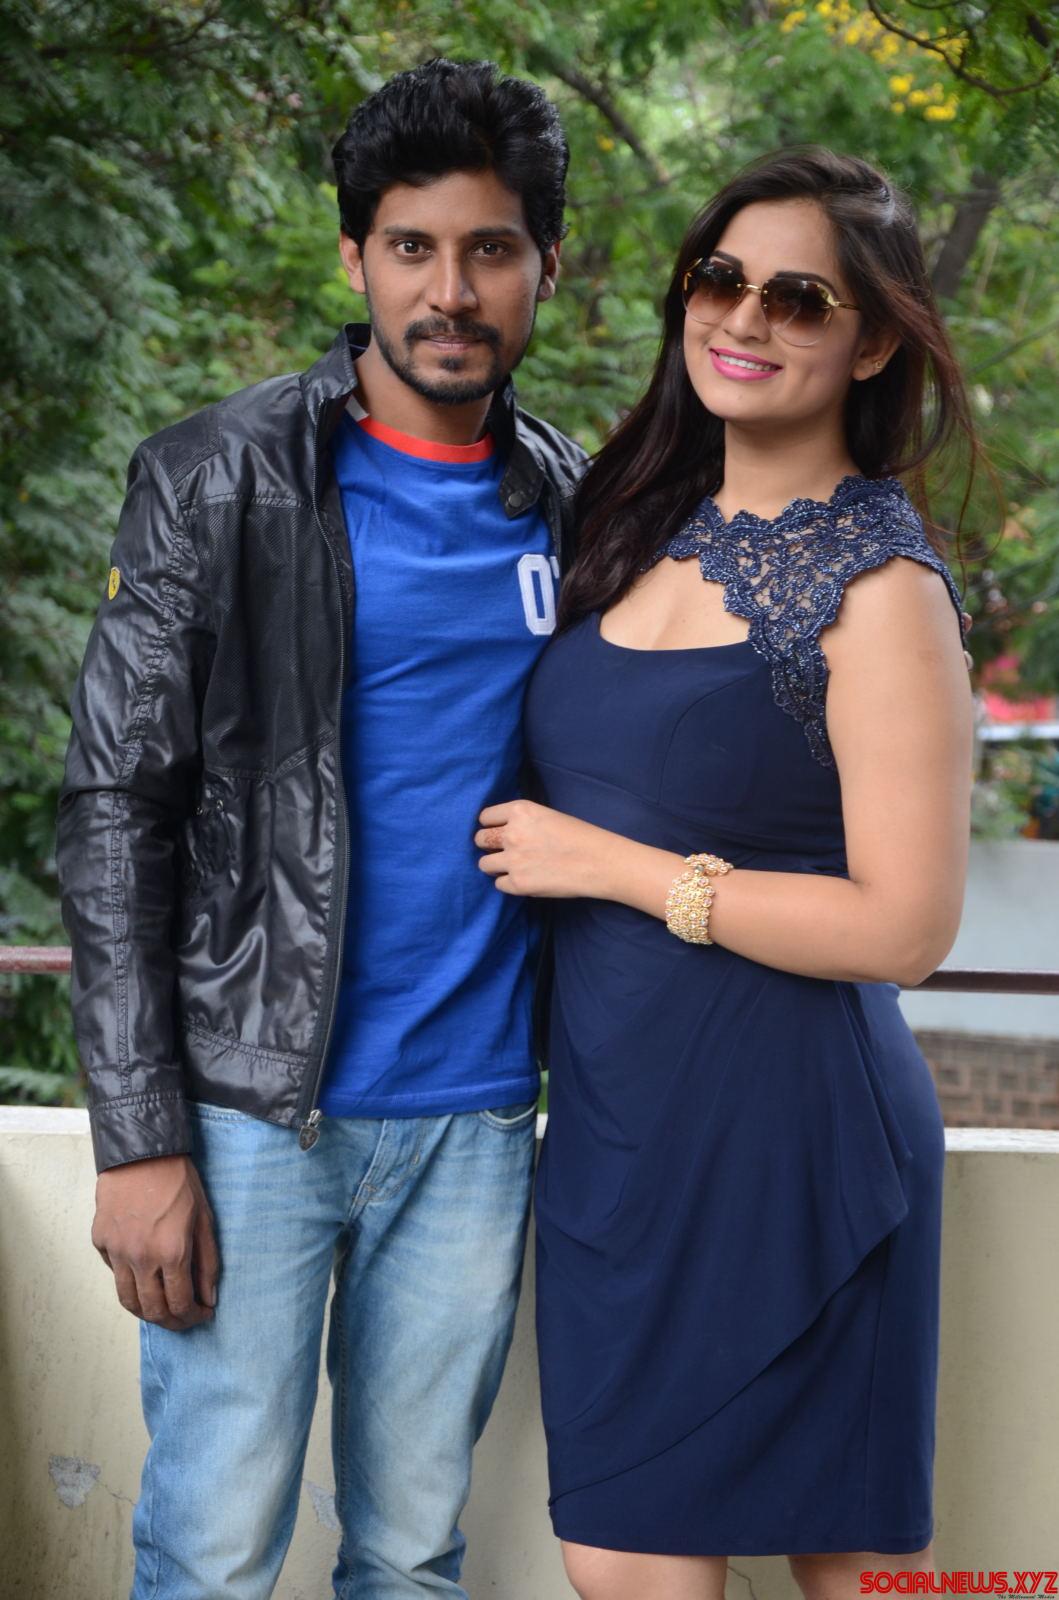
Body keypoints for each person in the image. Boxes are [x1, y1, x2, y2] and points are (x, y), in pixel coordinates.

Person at [54, 58, 584, 1600]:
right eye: (412, 247)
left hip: (477, 1116)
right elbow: (114, 810)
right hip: (250, 1115)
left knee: (412, 1557)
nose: (450, 291)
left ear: (546, 267)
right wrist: (140, 1136)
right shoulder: (217, 477)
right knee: (213, 1556)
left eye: (490, 249)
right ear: (355, 258)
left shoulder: (575, 501)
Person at [474, 147, 979, 1599]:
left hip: (797, 1143)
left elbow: (907, 928)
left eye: (799, 297)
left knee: (858, 1573)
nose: (744, 318)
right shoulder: (629, 520)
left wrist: (614, 868)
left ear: (871, 342)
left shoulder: (883, 588)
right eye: (721, 278)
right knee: (619, 1561)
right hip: (618, 1146)